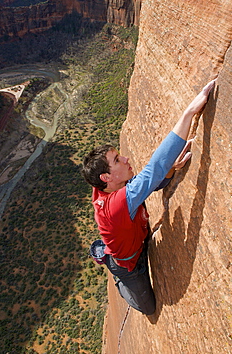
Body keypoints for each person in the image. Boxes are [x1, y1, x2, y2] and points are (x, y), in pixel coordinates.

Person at [82, 79, 216, 315]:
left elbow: (151, 182)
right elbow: (153, 170)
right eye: (117, 161)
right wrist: (188, 113)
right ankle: (117, 279)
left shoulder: (110, 189)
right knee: (148, 308)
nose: (125, 159)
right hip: (128, 266)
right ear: (106, 177)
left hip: (137, 240)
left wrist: (171, 168)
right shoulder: (115, 205)